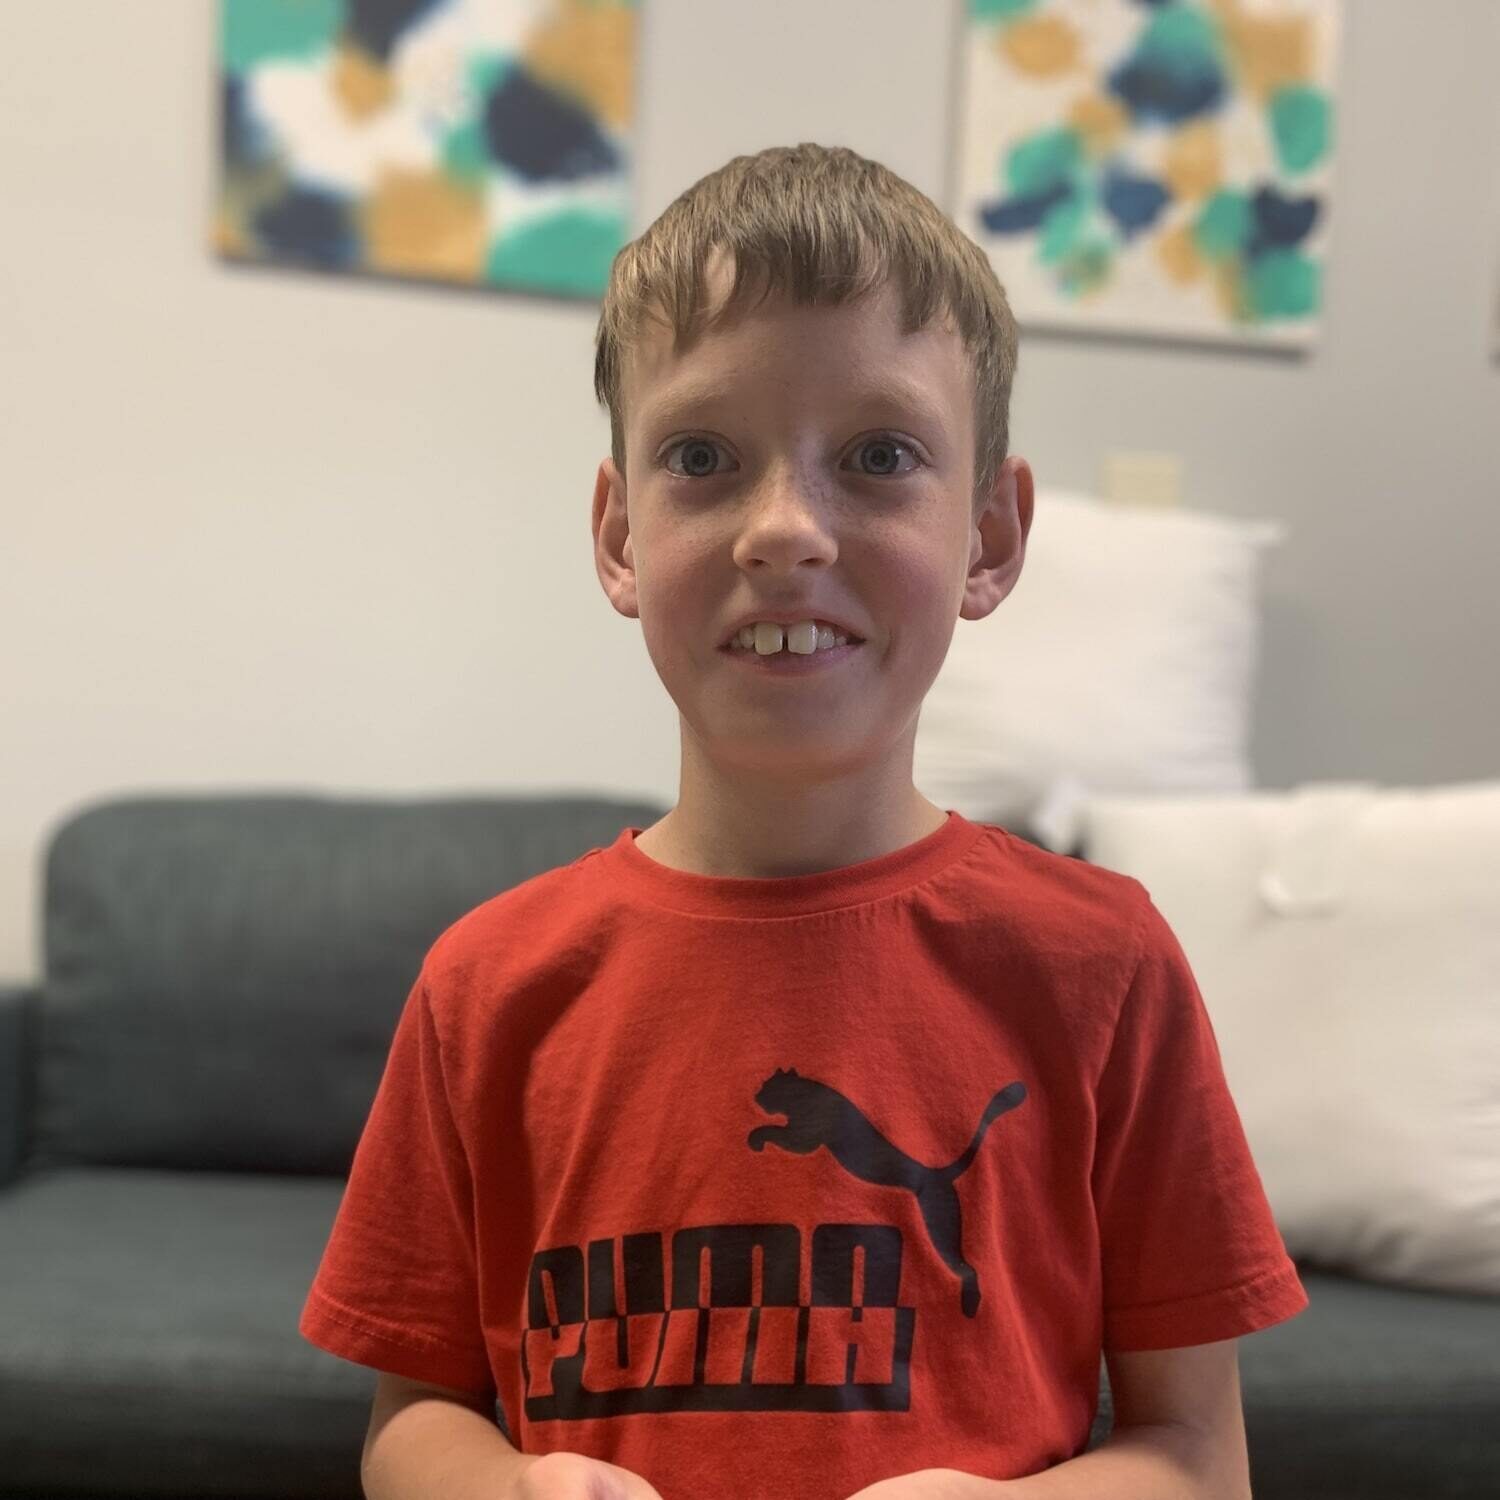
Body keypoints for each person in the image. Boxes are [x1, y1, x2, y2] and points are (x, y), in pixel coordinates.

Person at [300, 143, 1307, 1500]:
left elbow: (1196, 1457)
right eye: (703, 457)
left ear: (992, 540)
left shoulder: (1104, 965)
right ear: (616, 537)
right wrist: (508, 1487)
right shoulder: (487, 985)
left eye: (880, 456)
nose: (783, 529)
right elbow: (411, 1426)